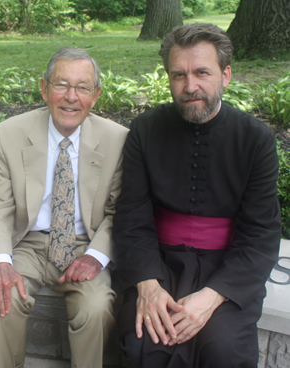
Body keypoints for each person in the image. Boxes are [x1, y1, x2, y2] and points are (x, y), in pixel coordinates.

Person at [113, 23, 281, 368]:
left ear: (226, 75)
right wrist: (147, 284)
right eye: (179, 75)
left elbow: (261, 235)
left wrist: (210, 298)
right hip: (158, 262)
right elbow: (132, 216)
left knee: (222, 347)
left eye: (202, 72)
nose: (190, 87)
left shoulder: (256, 139)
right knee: (145, 342)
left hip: (226, 270)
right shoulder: (146, 130)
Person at [0, 47, 129, 368]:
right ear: (44, 88)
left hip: (83, 247)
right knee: (2, 299)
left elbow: (121, 210)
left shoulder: (118, 140)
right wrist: (0, 262)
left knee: (96, 309)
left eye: (83, 87)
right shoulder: (8, 135)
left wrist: (96, 255)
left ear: (96, 95)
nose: (71, 97)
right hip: (28, 244)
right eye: (61, 84)